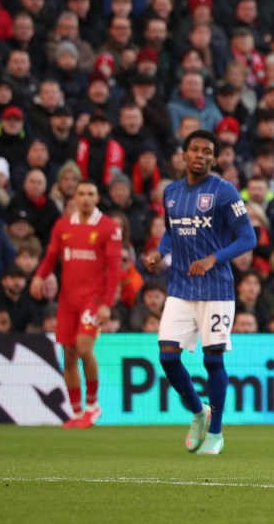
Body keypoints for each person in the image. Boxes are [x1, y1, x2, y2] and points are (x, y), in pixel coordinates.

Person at [143, 130, 257, 455]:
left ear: (215, 159)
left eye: (208, 151)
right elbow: (170, 233)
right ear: (183, 154)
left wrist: (213, 258)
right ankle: (198, 412)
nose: (200, 155)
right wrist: (159, 255)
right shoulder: (172, 192)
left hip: (216, 289)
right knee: (167, 356)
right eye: (195, 149)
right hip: (180, 286)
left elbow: (248, 238)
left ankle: (217, 433)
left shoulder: (224, 192)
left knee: (213, 359)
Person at [30, 180, 122, 429]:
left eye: (90, 194)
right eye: (81, 194)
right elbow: (50, 256)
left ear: (97, 198)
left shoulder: (109, 228)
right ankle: (77, 411)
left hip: (92, 300)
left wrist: (106, 304)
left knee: (83, 348)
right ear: (75, 198)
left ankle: (93, 406)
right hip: (67, 300)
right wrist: (39, 276)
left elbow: (114, 270)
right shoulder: (62, 226)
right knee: (69, 356)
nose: (85, 198)